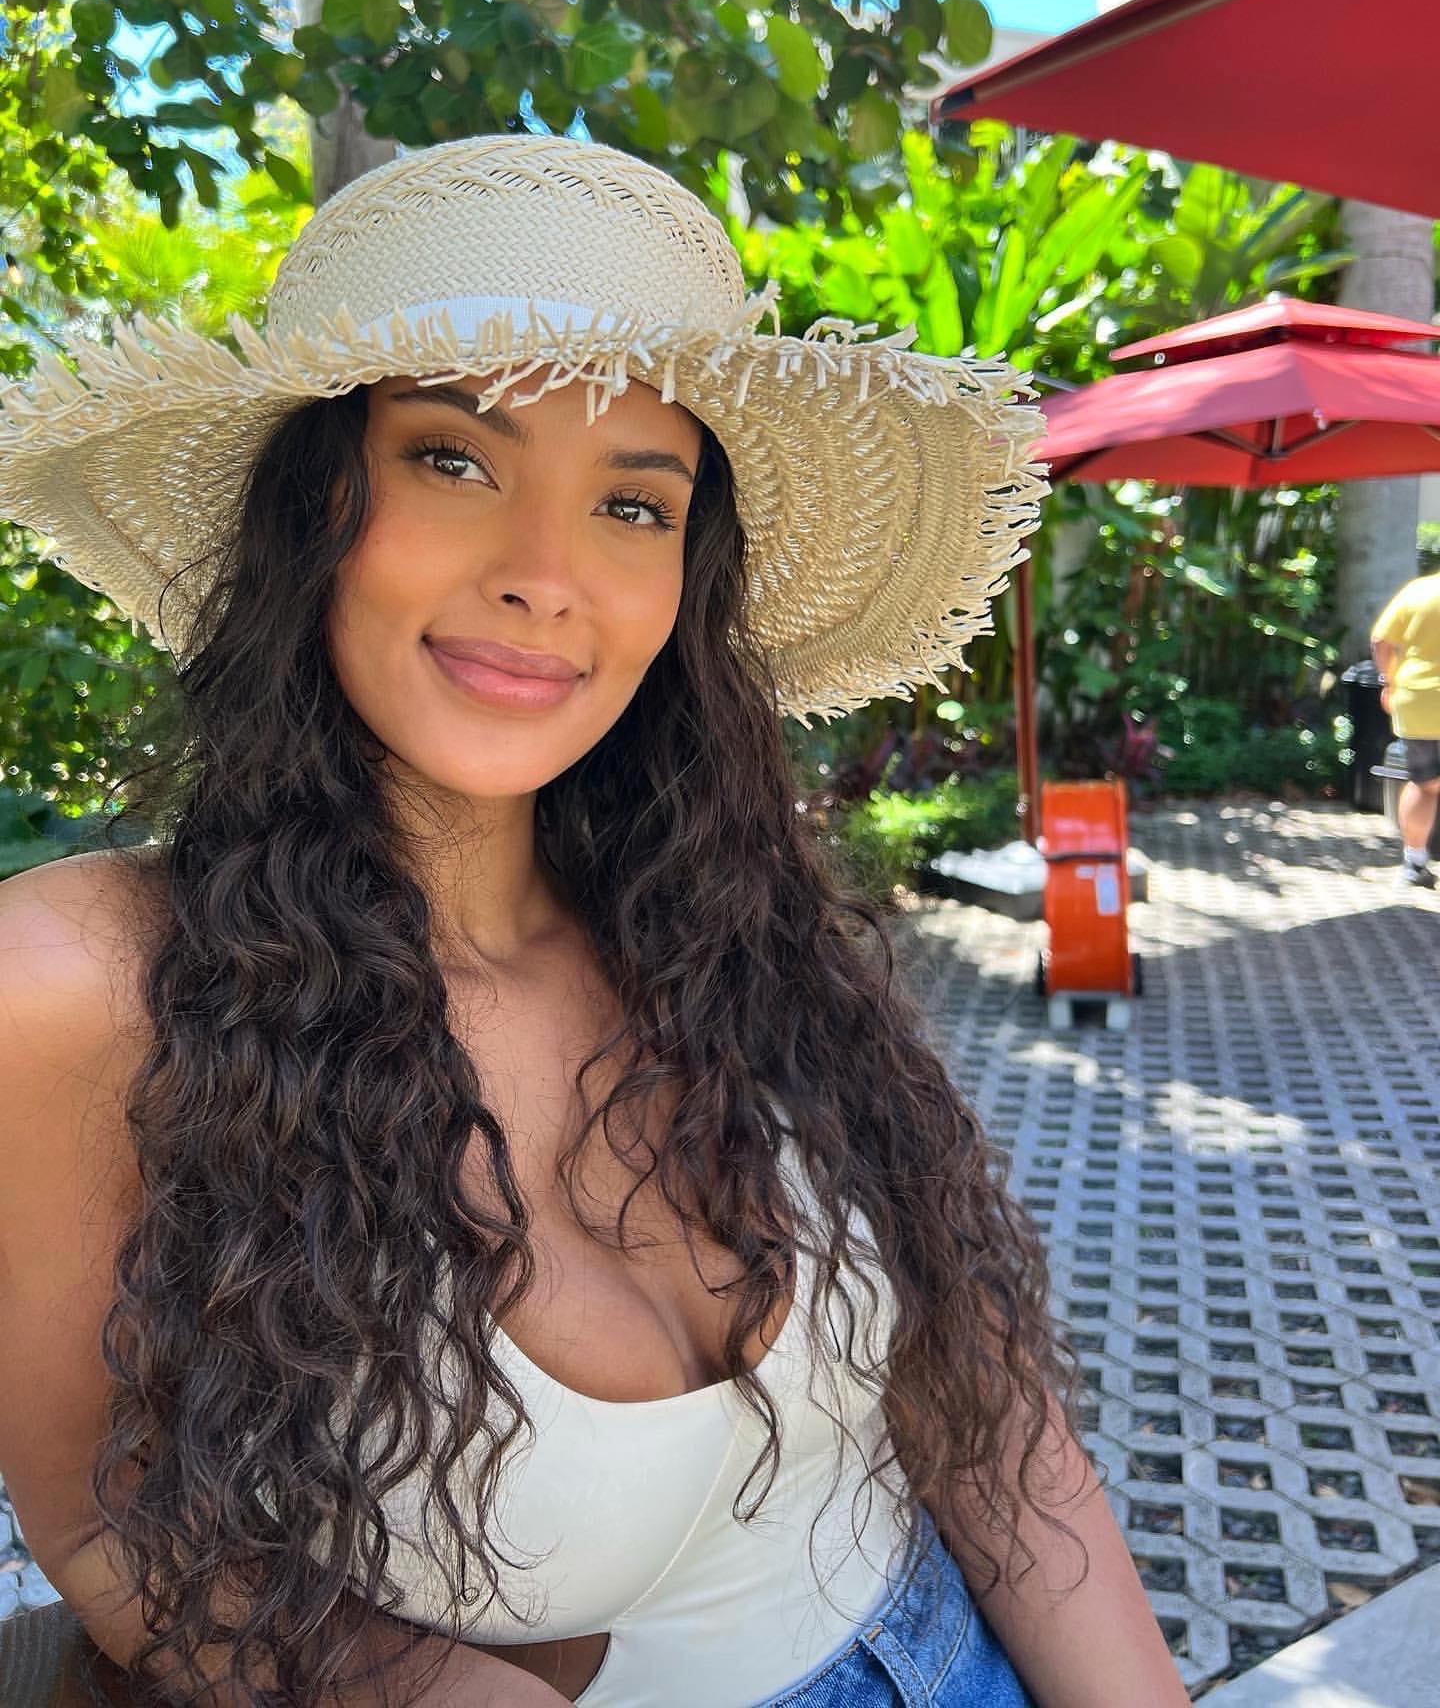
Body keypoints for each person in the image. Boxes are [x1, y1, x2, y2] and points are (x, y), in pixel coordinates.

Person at [0, 135, 1188, 1708]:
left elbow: (986, 1415)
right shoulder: (89, 983)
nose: (547, 578)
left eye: (634, 504)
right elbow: (115, 1524)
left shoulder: (727, 917)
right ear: (312, 504)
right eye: (453, 460)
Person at [1371, 568, 1440, 888]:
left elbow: (1380, 640)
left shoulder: (1418, 591)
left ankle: (1414, 863)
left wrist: (1388, 680)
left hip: (1417, 699)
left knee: (1423, 784)